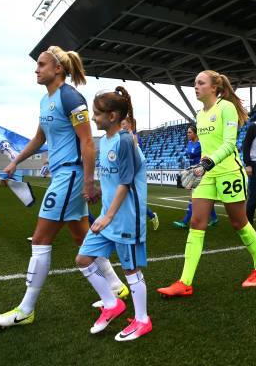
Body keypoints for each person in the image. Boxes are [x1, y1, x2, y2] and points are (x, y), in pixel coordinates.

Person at [0, 46, 126, 328]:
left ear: (58, 69)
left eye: (41, 64)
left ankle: (25, 310)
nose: (36, 69)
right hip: (63, 175)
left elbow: (87, 142)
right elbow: (39, 138)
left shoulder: (71, 97)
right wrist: (15, 163)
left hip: (70, 177)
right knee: (81, 236)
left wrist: (89, 181)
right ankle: (115, 286)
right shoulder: (45, 100)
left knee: (39, 240)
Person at [157, 70, 256, 297]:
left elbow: (229, 144)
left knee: (239, 223)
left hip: (229, 172)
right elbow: (207, 148)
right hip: (206, 173)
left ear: (214, 88)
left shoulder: (225, 107)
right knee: (197, 222)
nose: (195, 87)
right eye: (194, 82)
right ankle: (185, 282)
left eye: (200, 83)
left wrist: (206, 163)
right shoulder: (199, 115)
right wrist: (200, 168)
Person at [76, 86, 151, 341]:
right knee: (83, 260)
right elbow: (113, 179)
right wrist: (97, 192)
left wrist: (107, 215)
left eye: (97, 113)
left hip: (125, 218)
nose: (93, 118)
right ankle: (111, 304)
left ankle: (142, 320)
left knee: (131, 271)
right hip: (108, 216)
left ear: (112, 115)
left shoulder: (125, 140)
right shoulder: (106, 140)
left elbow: (126, 182)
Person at [173, 125, 218, 228]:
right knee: (205, 197)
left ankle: (184, 222)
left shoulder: (201, 144)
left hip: (201, 172)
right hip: (193, 171)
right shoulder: (189, 143)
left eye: (189, 132)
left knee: (193, 197)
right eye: (187, 132)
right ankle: (214, 218)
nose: (187, 134)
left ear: (195, 133)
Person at [122, 117, 159, 230]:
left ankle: (151, 216)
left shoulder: (133, 137)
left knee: (134, 200)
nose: (121, 125)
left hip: (133, 172)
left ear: (130, 125)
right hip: (129, 171)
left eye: (124, 124)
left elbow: (136, 157)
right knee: (129, 200)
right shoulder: (125, 137)